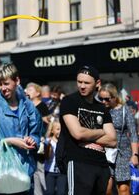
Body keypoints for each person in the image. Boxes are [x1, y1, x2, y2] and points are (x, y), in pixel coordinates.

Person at [0, 63, 42, 195]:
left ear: (17, 81)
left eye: (6, 83)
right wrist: (8, 141)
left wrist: (32, 140)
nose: (3, 88)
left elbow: (36, 133)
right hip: (1, 172)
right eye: (0, 84)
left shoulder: (27, 104)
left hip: (24, 172)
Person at [57, 65, 117, 195]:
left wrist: (87, 134)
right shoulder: (69, 101)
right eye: (79, 82)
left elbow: (112, 140)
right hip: (79, 162)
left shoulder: (102, 108)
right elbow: (78, 133)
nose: (82, 86)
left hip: (101, 165)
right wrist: (101, 132)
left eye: (87, 83)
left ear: (97, 83)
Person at [98, 83, 138, 195]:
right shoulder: (100, 110)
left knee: (123, 189)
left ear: (114, 97)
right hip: (104, 153)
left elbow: (133, 134)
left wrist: (135, 155)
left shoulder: (125, 111)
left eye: (106, 99)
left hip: (123, 154)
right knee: (106, 188)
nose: (103, 101)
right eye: (101, 98)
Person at [25, 82, 50, 195]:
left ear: (37, 92)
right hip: (28, 140)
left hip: (40, 140)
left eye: (30, 89)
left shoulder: (42, 106)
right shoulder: (26, 105)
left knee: (40, 168)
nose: (26, 91)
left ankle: (43, 191)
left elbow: (48, 123)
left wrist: (46, 137)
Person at [44, 120, 66, 195]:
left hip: (61, 172)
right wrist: (47, 146)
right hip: (49, 171)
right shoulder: (48, 141)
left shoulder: (64, 142)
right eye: (58, 129)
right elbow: (46, 156)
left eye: (61, 129)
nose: (60, 131)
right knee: (50, 192)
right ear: (52, 130)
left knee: (61, 192)